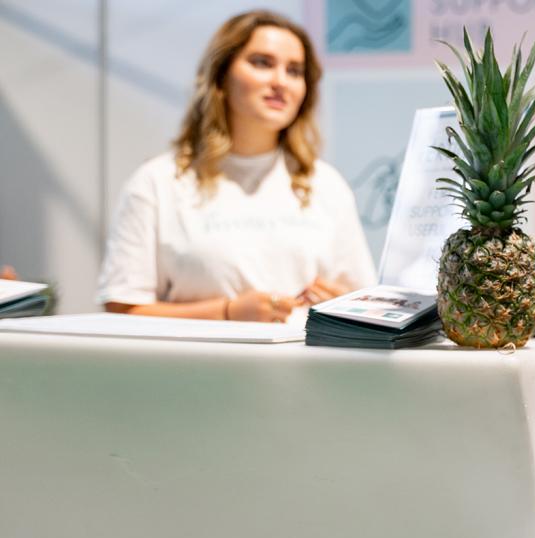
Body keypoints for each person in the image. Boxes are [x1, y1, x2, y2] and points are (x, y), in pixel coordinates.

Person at [98, 10, 375, 323]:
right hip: (194, 369)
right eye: (262, 63)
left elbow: (365, 304)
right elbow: (121, 309)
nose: (280, 81)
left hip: (306, 369)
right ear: (221, 76)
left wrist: (343, 305)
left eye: (295, 71)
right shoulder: (157, 182)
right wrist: (226, 313)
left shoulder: (326, 185)